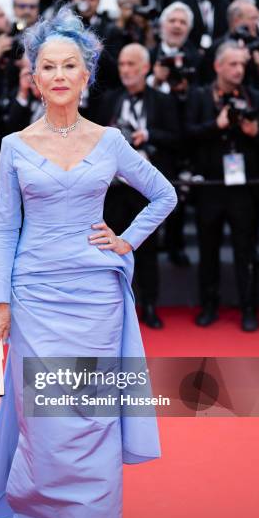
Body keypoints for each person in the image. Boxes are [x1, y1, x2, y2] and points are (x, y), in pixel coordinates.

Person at [0, 5, 177, 518]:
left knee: (87, 411)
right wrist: (2, 302)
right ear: (33, 77)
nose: (59, 75)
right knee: (47, 414)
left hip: (94, 295)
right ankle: (39, 508)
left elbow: (165, 194)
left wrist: (126, 240)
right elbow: (4, 226)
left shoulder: (110, 141)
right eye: (47, 66)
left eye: (69, 65)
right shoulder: (14, 145)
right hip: (35, 293)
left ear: (86, 75)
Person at [185, 41, 259, 331]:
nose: (238, 70)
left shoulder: (256, 97)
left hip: (244, 188)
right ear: (217, 66)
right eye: (232, 64)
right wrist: (216, 125)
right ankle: (208, 305)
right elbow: (187, 134)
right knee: (208, 250)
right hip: (210, 185)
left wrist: (255, 132)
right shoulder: (199, 96)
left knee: (244, 250)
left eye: (242, 65)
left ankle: (248, 308)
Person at [97, 43, 181, 328]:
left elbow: (178, 139)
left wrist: (150, 135)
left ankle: (149, 306)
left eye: (132, 64)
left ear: (146, 68)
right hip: (114, 191)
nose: (126, 70)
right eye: (122, 64)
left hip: (146, 191)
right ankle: (115, 308)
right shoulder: (109, 100)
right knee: (110, 249)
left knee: (145, 251)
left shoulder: (163, 101)